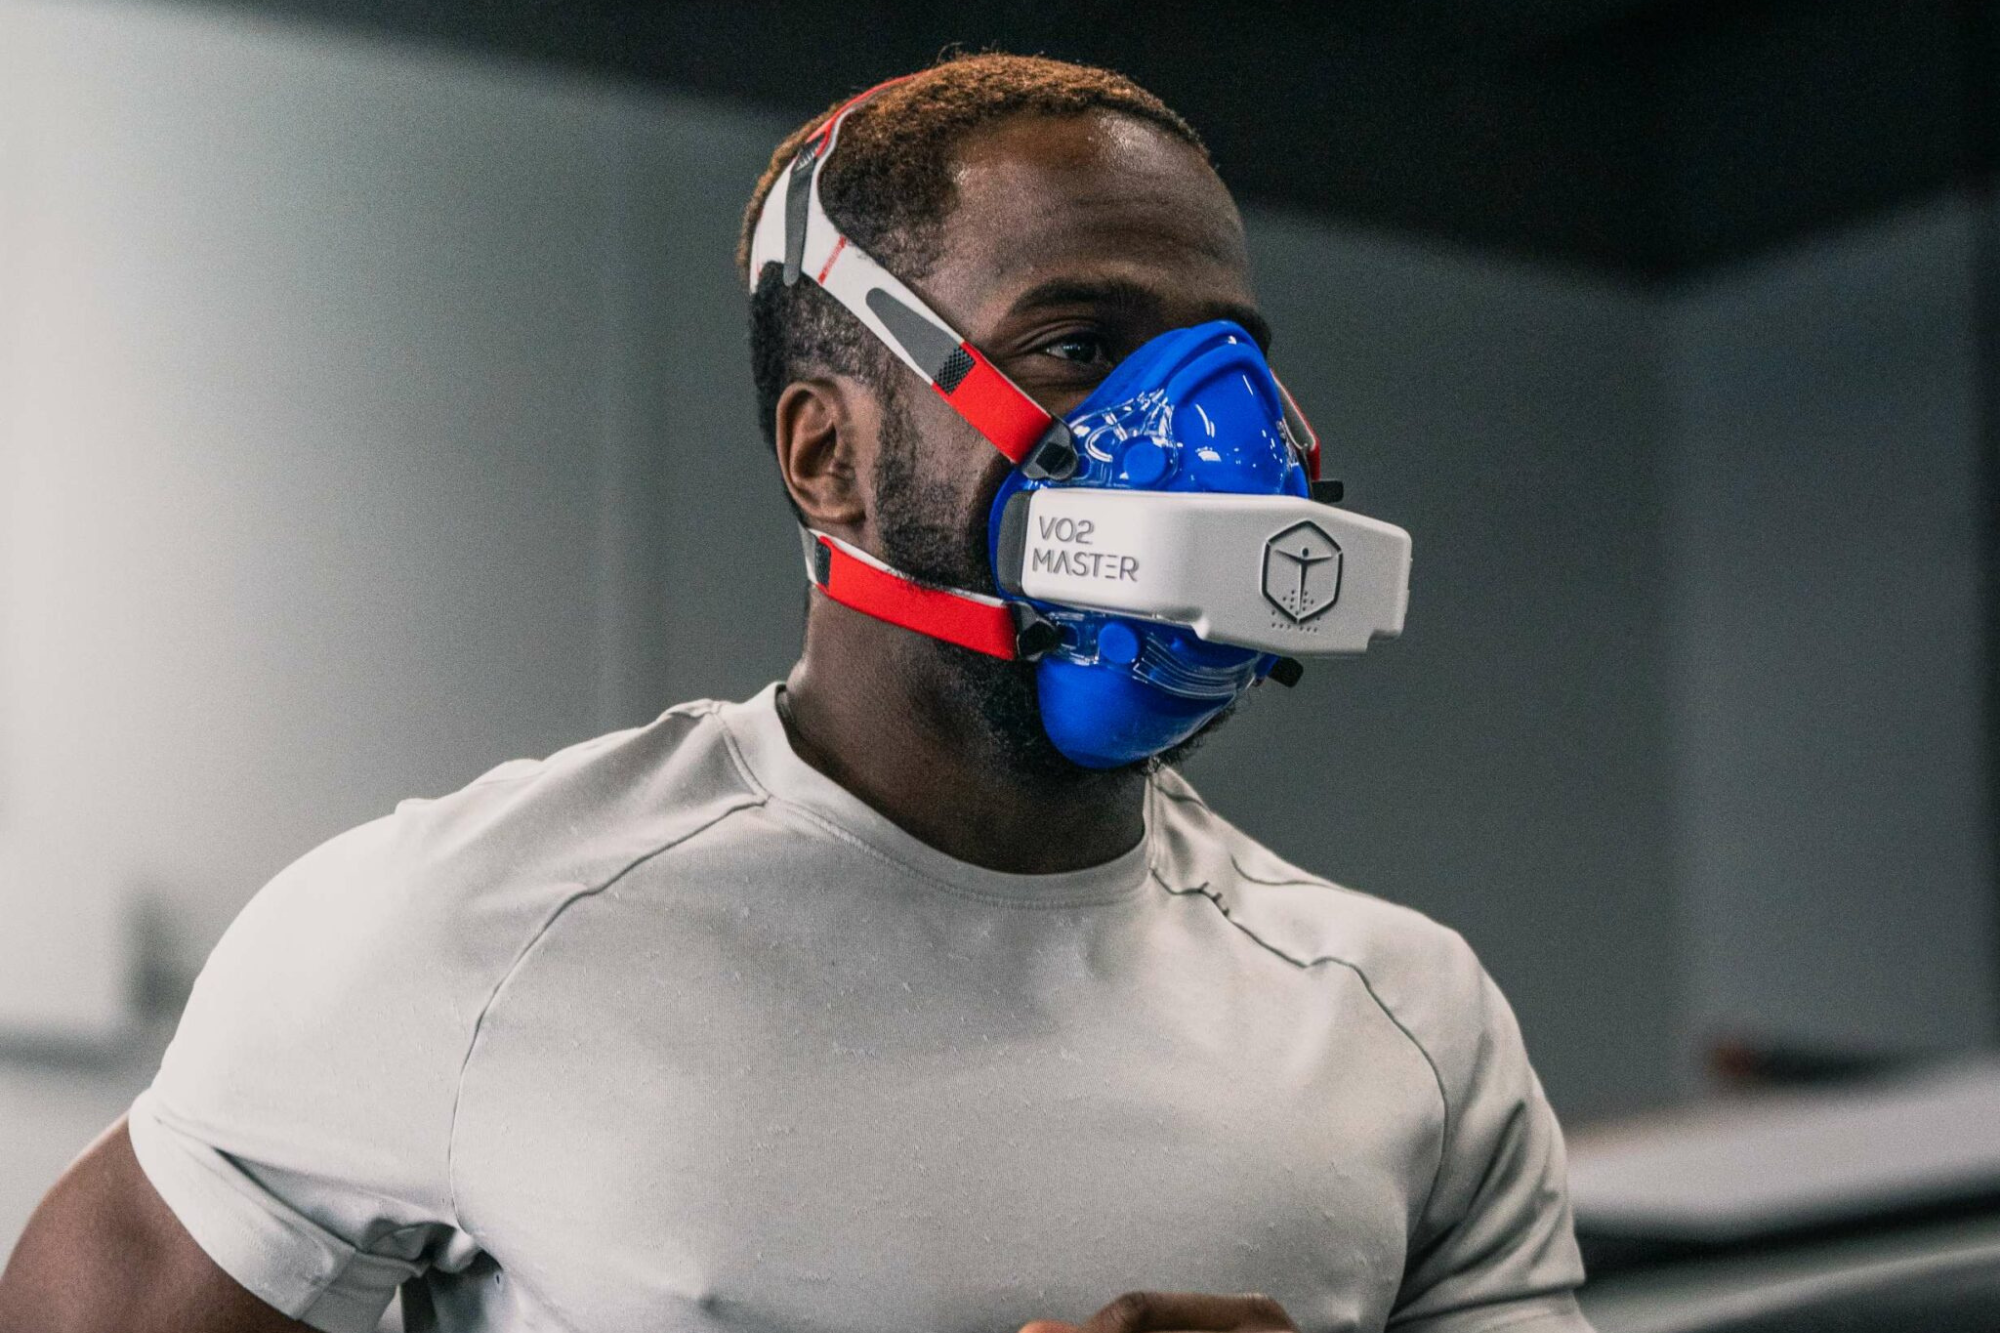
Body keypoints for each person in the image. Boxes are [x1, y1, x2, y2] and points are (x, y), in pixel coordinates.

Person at [0, 53, 1590, 1333]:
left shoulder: (1408, 1022)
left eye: (1227, 353)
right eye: (1078, 345)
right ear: (825, 452)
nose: (1219, 443)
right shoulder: (459, 932)